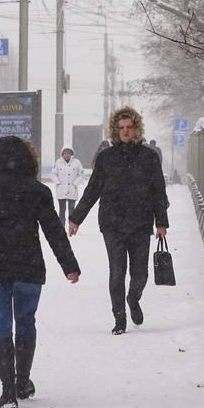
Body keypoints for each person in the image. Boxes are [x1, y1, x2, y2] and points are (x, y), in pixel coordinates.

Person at [0, 136, 81, 408]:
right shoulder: (38, 191)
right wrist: (69, 265)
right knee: (26, 321)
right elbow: (53, 230)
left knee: (0, 323)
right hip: (27, 265)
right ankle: (22, 381)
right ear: (29, 160)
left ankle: (7, 391)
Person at [68, 106, 169, 335]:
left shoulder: (149, 157)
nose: (125, 131)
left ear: (136, 129)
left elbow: (158, 192)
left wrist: (161, 222)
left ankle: (133, 299)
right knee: (117, 271)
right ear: (115, 130)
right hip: (112, 223)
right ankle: (119, 317)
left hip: (141, 222)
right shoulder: (106, 158)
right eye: (121, 128)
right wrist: (76, 218)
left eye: (129, 127)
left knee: (140, 273)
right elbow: (92, 191)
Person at [52, 146, 84, 224]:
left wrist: (75, 183)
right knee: (62, 210)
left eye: (68, 153)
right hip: (61, 191)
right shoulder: (58, 162)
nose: (66, 155)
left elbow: (81, 175)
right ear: (62, 154)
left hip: (72, 190)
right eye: (65, 153)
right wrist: (58, 183)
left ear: (71, 154)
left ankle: (71, 225)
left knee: (72, 211)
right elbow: (53, 174)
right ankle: (61, 226)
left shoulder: (76, 162)